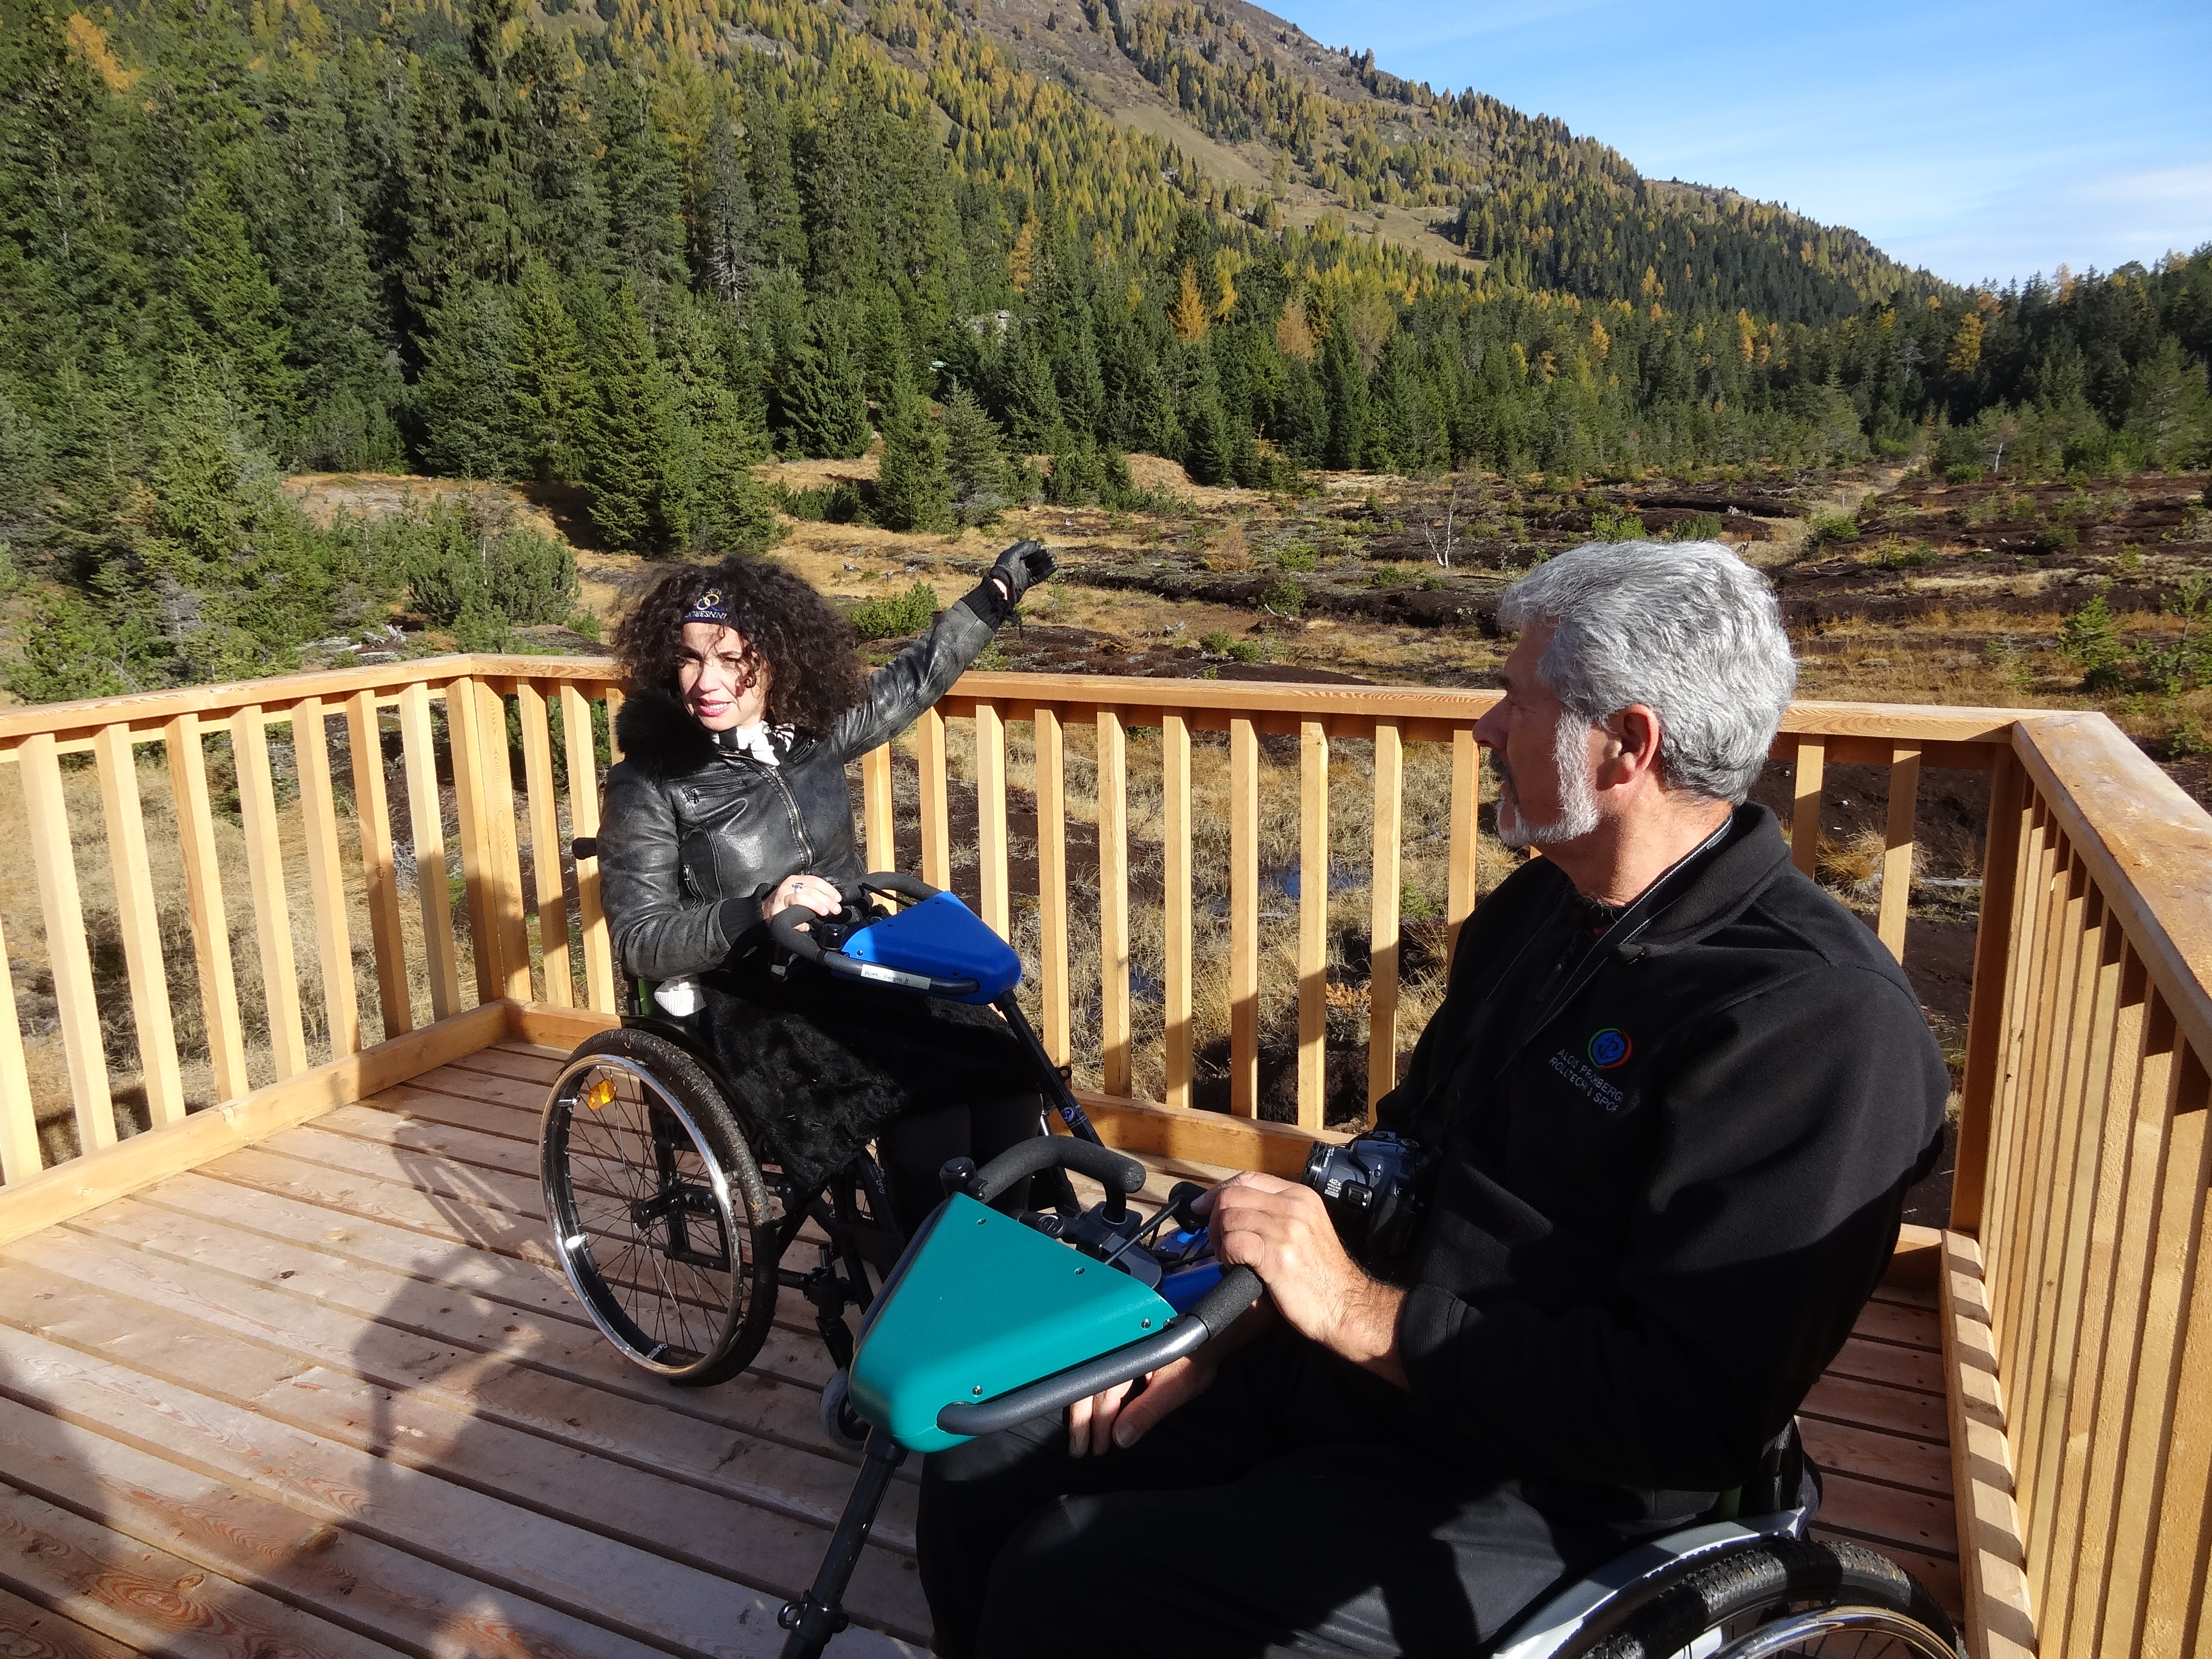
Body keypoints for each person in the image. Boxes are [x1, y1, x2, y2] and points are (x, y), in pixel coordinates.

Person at [916, 539, 1950, 1658]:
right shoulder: (1540, 915)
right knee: (978, 1463)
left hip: (1553, 1484)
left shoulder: (1815, 1024)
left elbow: (1681, 1412)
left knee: (1072, 1581)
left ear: (1626, 747)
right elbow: (1405, 1154)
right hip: (1374, 1372)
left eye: (1515, 699)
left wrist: (1355, 1311)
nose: (1484, 729)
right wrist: (1227, 1322)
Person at [597, 540, 1056, 1236]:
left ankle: (1005, 1252)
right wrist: (757, 910)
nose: (706, 680)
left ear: (776, 660)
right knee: (921, 1102)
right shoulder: (650, 783)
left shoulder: (808, 735)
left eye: (731, 658)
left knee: (1005, 1069)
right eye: (690, 657)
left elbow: (912, 682)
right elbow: (638, 939)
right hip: (749, 994)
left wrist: (993, 597)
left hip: (850, 956)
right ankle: (923, 1288)